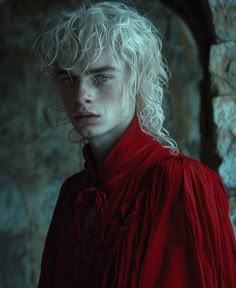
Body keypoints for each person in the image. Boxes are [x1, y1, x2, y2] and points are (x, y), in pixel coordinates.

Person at [35, 1, 236, 287]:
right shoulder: (73, 194)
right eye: (69, 78)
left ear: (136, 79)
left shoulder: (184, 182)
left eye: (102, 77)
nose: (82, 95)